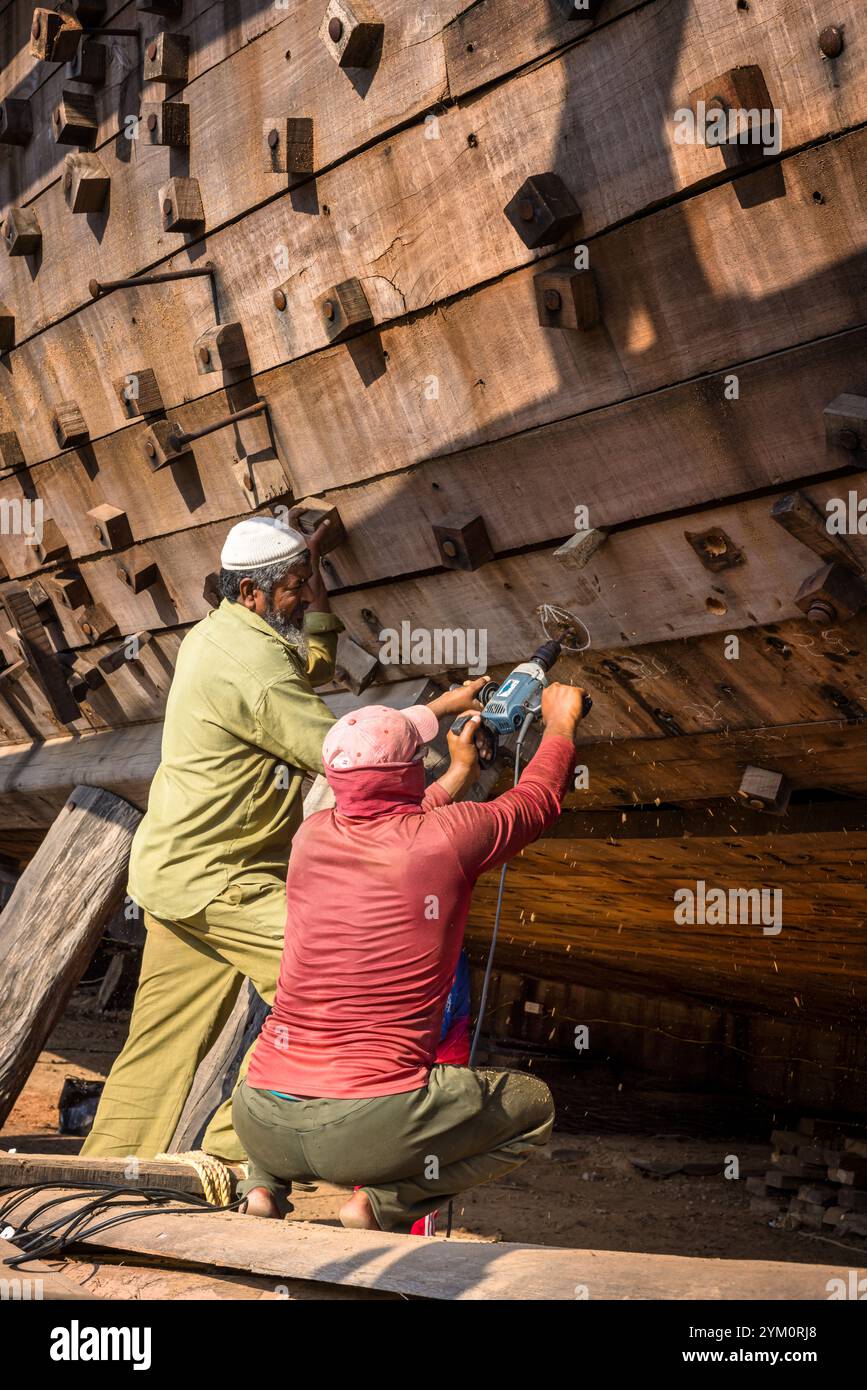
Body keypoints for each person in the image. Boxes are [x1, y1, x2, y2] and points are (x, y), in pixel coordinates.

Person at [232, 680, 588, 1229]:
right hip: (365, 1130)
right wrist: (561, 725)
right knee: (532, 1107)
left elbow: (387, 818)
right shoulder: (448, 837)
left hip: (259, 1119)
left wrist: (459, 773)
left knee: (281, 1056)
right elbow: (536, 803)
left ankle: (262, 1186)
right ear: (408, 774)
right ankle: (380, 1203)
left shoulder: (311, 836)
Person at [82, 511, 345, 1163]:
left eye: (308, 581)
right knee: (326, 979)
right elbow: (337, 753)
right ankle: (229, 1154)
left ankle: (99, 1172)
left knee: (159, 1047)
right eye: (295, 585)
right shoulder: (253, 663)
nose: (306, 594)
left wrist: (316, 574)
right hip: (222, 879)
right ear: (253, 592)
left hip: (173, 876)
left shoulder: (222, 634)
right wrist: (435, 727)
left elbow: (309, 661)